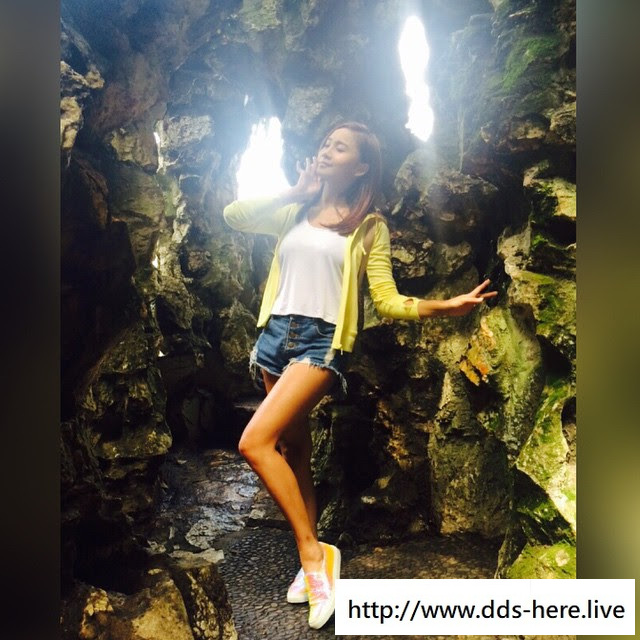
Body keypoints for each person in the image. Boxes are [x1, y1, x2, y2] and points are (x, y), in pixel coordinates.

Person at [223, 121, 496, 629]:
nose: (327, 150)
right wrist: (294, 191)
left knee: (254, 442)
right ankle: (311, 558)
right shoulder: (293, 210)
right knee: (294, 450)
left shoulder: (369, 227)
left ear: (362, 166)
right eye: (326, 142)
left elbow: (386, 300)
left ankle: (314, 554)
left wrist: (443, 306)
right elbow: (233, 216)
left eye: (340, 146)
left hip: (320, 343)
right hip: (275, 338)